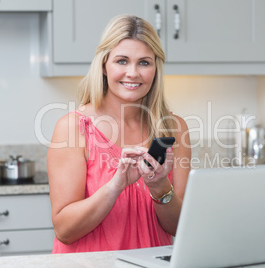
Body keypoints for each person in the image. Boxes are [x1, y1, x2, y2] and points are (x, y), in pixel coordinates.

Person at [47, 14, 191, 253]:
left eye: (144, 62)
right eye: (122, 61)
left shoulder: (174, 128)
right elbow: (64, 231)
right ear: (104, 65)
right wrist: (115, 186)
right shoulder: (73, 128)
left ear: (156, 68)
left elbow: (180, 227)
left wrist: (159, 187)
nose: (133, 73)